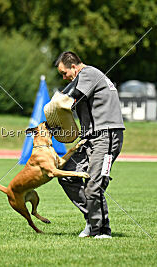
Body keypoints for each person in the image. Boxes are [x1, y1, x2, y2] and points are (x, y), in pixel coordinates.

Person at [54, 51, 125, 238]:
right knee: (67, 175)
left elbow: (72, 96)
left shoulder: (88, 74)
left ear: (74, 67)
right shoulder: (84, 77)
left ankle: (102, 230)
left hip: (106, 136)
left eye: (64, 73)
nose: (64, 77)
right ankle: (93, 221)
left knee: (94, 184)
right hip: (89, 139)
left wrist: (54, 105)